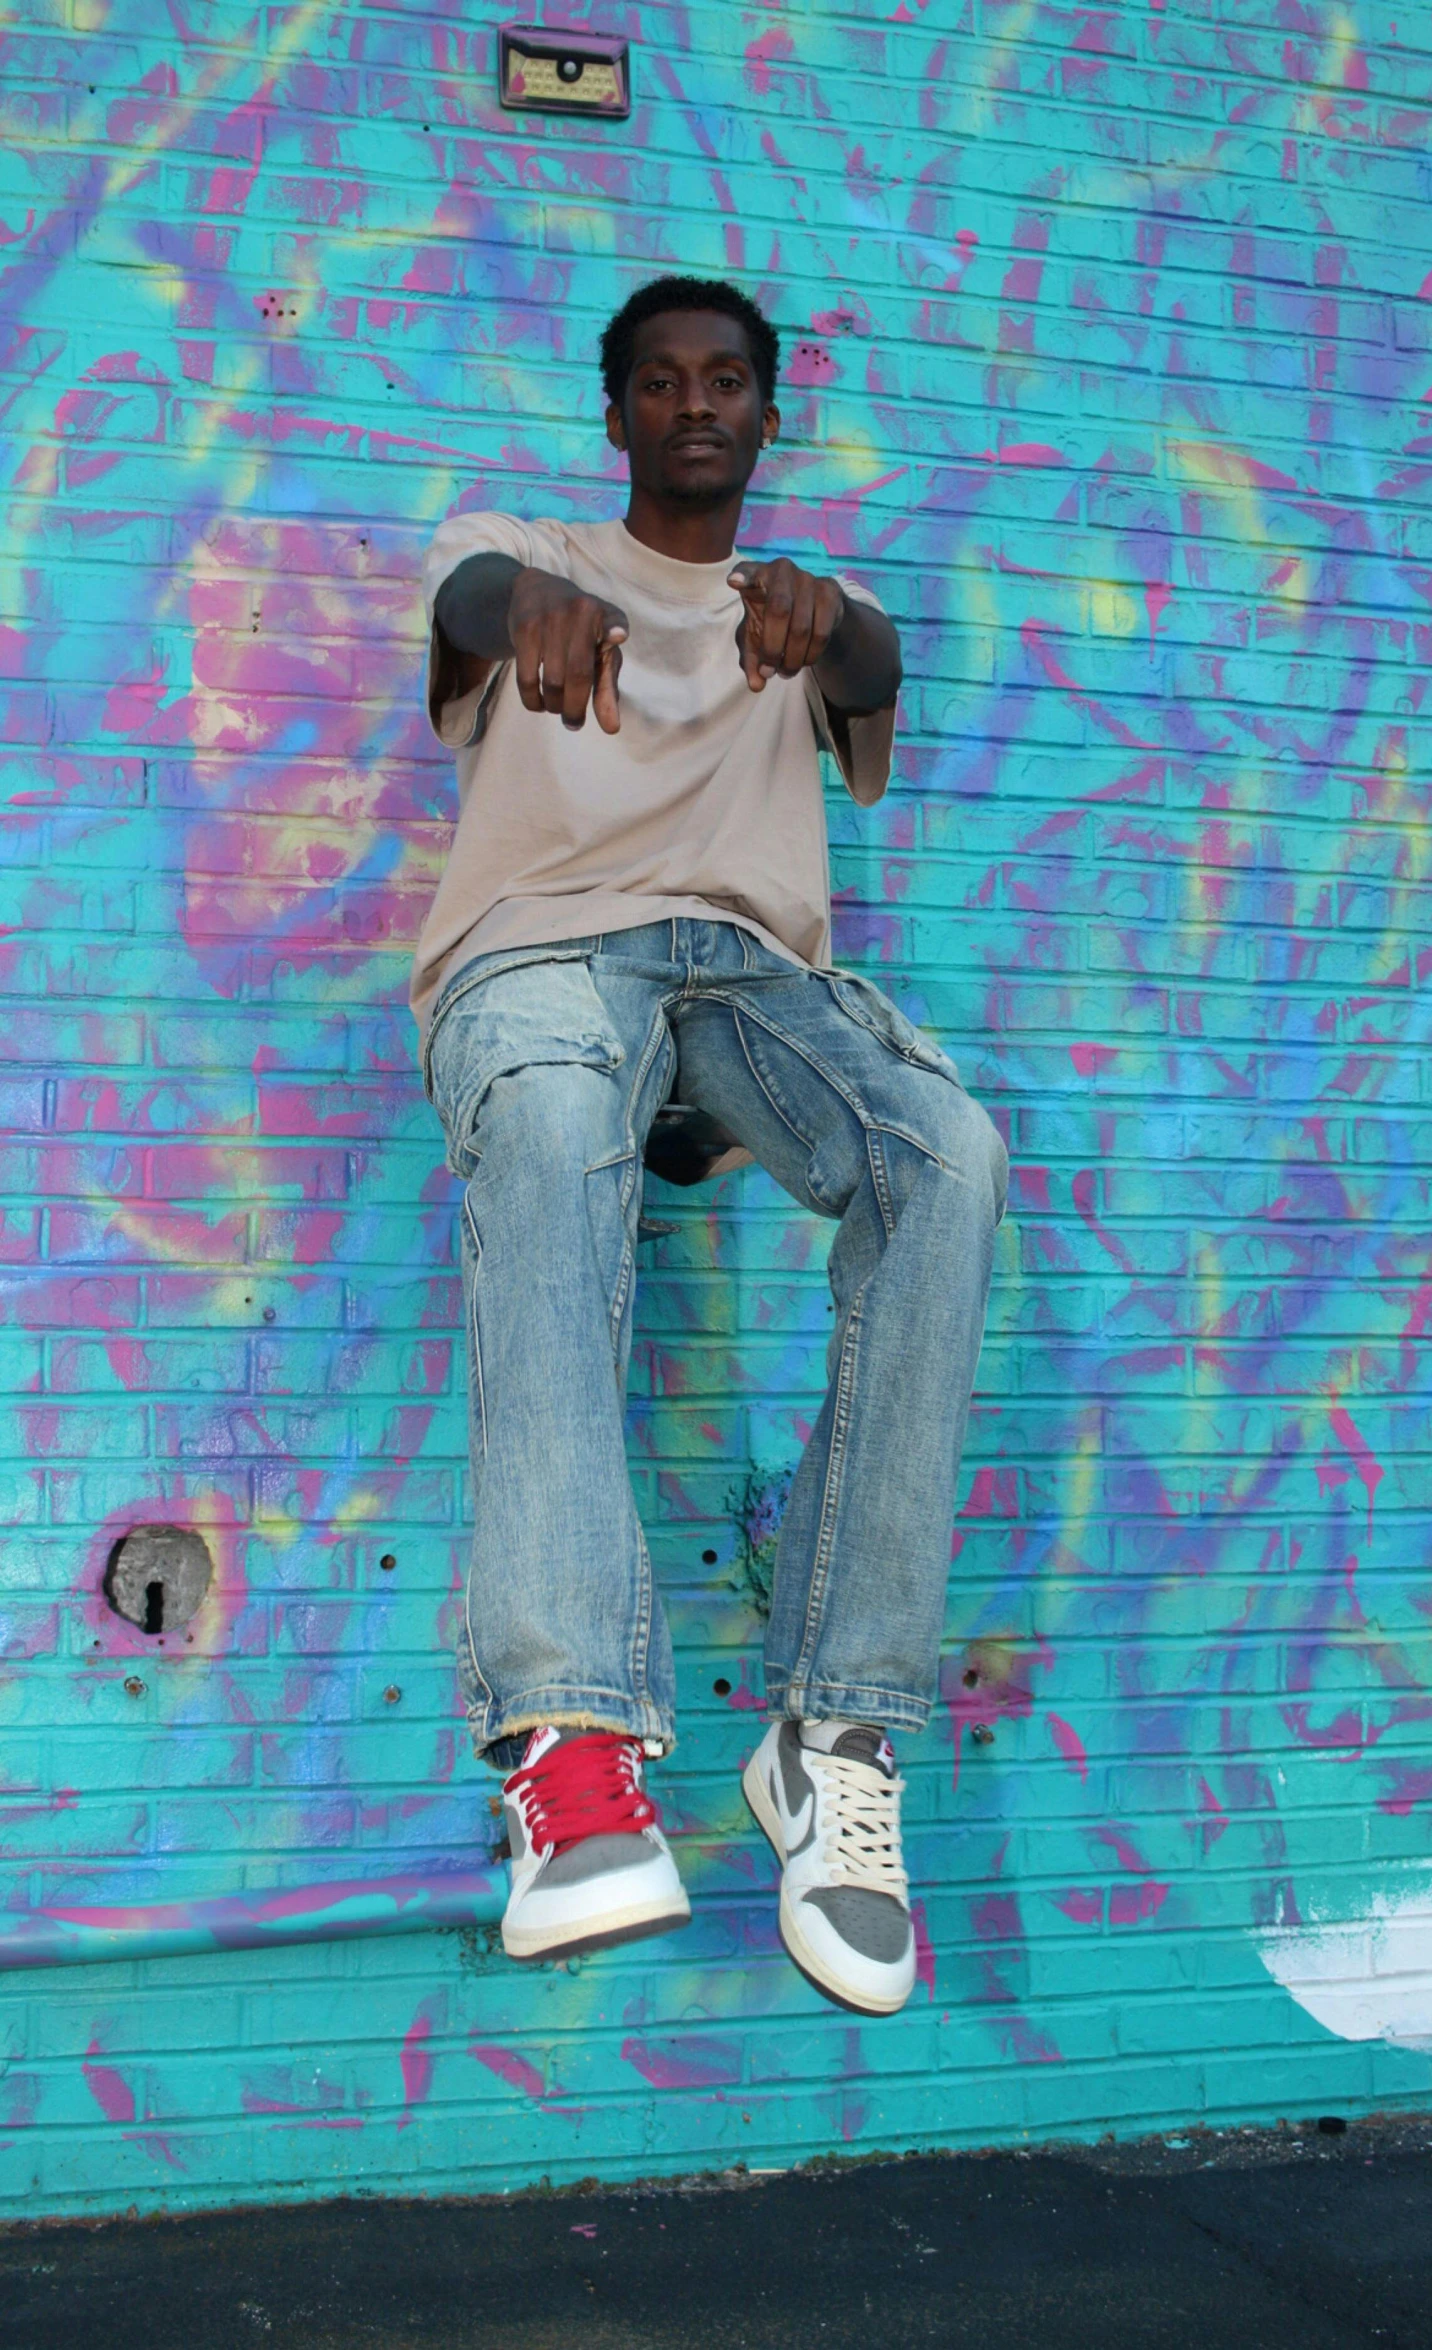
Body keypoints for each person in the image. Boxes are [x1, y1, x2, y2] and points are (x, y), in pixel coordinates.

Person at [415, 276, 1007, 2017]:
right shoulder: (515, 551)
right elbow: (460, 604)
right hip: (538, 959)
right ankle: (571, 1741)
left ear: (766, 414)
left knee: (948, 1154)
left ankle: (833, 1736)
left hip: (744, 981)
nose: (693, 403)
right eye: (659, 382)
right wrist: (520, 597)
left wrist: (832, 633)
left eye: (726, 380)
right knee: (545, 1119)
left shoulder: (801, 608)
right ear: (614, 417)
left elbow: (881, 666)